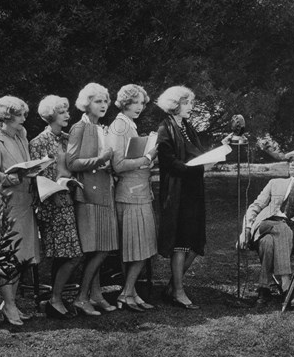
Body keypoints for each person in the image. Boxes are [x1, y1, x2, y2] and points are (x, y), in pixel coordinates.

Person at [240, 148, 294, 308]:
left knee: (268, 242)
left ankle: (264, 289)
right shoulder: (275, 183)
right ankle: (287, 287)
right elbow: (255, 207)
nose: (292, 163)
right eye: (290, 160)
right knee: (281, 228)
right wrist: (246, 229)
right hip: (266, 224)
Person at [0, 95, 41, 326]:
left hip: (25, 203)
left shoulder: (21, 138)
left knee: (22, 255)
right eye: (20, 116)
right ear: (7, 117)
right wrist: (14, 178)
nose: (24, 120)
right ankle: (8, 304)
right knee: (8, 255)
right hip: (7, 206)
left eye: (25, 115)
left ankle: (11, 303)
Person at [156, 86, 214, 310]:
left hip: (193, 190)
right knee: (181, 242)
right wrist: (198, 168)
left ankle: (173, 286)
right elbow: (170, 163)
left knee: (195, 241)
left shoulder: (187, 126)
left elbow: (195, 154)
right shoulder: (165, 128)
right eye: (187, 102)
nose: (192, 107)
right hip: (177, 192)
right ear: (175, 104)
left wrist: (210, 158)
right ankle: (178, 290)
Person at [65, 82, 118, 316]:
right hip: (88, 193)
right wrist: (100, 159)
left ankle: (96, 295)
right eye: (98, 101)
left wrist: (110, 163)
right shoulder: (79, 128)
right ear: (87, 104)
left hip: (105, 190)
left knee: (103, 246)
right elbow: (72, 163)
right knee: (97, 249)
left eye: (105, 101)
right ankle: (81, 297)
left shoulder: (101, 128)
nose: (103, 105)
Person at [29, 95, 83, 320]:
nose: (68, 115)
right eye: (62, 112)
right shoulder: (38, 142)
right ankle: (55, 299)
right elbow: (36, 176)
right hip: (53, 204)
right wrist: (57, 189)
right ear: (51, 114)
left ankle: (56, 298)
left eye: (67, 111)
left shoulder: (67, 138)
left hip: (69, 200)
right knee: (71, 255)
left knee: (66, 254)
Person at [106, 84, 158, 312]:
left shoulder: (128, 125)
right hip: (130, 195)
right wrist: (148, 156)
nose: (140, 107)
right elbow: (118, 165)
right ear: (125, 102)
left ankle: (131, 292)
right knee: (140, 246)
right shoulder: (119, 126)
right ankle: (126, 293)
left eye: (142, 103)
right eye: (135, 102)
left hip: (137, 192)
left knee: (137, 247)